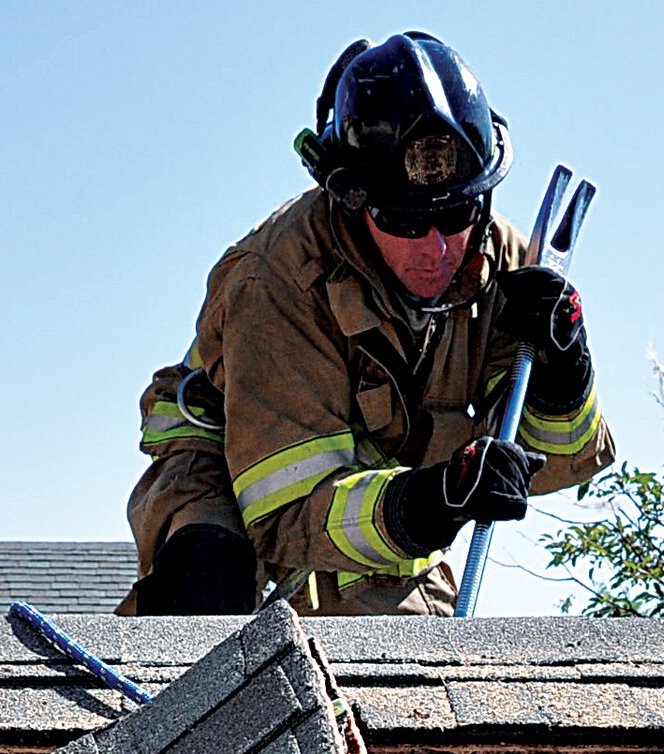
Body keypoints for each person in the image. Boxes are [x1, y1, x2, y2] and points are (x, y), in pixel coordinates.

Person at [121, 32, 614, 616]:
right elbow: (287, 512)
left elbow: (553, 458)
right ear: (353, 201)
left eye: (457, 212)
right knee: (209, 603)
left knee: (401, 675)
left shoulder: (505, 260)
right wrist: (432, 502)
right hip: (237, 467)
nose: (438, 248)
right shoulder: (276, 279)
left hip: (388, 482)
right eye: (406, 222)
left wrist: (565, 373)